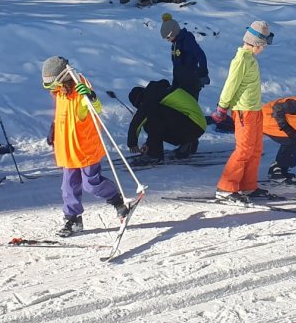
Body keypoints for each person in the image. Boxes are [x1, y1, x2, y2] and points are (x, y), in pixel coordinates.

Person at [42, 56, 130, 237]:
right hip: (67, 149)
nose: (52, 89)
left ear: (63, 78)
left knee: (91, 184)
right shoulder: (60, 93)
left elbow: (96, 108)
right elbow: (61, 115)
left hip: (85, 148)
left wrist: (91, 96)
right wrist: (53, 130)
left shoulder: (80, 92)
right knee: (68, 186)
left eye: (54, 84)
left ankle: (117, 200)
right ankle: (72, 218)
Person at [210, 20, 273, 203]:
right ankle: (225, 187)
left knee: (255, 149)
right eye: (263, 45)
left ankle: (248, 185)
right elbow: (231, 84)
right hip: (243, 111)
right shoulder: (241, 59)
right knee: (244, 149)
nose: (264, 49)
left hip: (255, 110)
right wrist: (222, 107)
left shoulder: (250, 58)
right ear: (256, 43)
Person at [126, 79, 206, 165]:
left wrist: (132, 142)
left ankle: (154, 155)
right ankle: (188, 144)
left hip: (193, 124)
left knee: (150, 116)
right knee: (154, 115)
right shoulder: (159, 91)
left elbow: (138, 119)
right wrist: (149, 144)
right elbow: (161, 124)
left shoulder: (151, 96)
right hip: (195, 126)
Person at [161, 13, 209, 102]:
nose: (168, 40)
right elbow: (177, 64)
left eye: (168, 37)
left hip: (191, 81)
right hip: (179, 81)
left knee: (189, 104)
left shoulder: (187, 40)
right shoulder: (175, 44)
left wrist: (203, 73)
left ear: (174, 31)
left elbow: (200, 55)